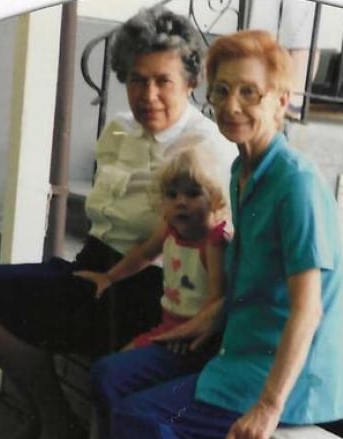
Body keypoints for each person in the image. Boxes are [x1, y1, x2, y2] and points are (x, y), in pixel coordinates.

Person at [0, 6, 236, 439]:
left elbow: (211, 244)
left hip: (149, 288)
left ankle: (52, 423)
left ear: (192, 84)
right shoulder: (118, 130)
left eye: (164, 81)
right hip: (95, 265)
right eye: (137, 79)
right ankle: (52, 414)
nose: (148, 94)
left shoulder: (207, 148)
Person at [92, 29, 342, 439]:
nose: (231, 105)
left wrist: (267, 408)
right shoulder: (240, 174)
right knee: (109, 376)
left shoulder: (296, 183)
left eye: (249, 92)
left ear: (281, 102)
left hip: (280, 377)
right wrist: (207, 320)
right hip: (236, 346)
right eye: (222, 90)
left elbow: (309, 309)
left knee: (141, 418)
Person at [76, 146, 229, 351]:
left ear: (215, 200)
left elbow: (216, 297)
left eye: (193, 194)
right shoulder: (169, 229)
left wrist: (190, 331)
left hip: (198, 334)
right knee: (119, 358)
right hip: (168, 323)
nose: (181, 202)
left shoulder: (214, 242)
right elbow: (145, 253)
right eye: (172, 195)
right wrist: (110, 277)